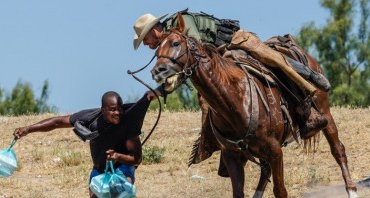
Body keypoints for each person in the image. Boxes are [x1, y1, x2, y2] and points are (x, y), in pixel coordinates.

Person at [132, 9, 331, 140]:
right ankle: (217, 141)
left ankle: (307, 95)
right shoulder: (167, 46)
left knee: (272, 62)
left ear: (154, 30)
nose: (147, 44)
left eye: (146, 39)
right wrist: (161, 90)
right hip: (218, 60)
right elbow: (184, 69)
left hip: (234, 43)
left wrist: (163, 88)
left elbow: (196, 53)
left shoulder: (180, 23)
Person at [13, 91, 156, 198]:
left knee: (124, 189)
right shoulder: (90, 118)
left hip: (122, 164)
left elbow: (136, 159)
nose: (118, 113)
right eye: (113, 109)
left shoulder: (128, 123)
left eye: (120, 109)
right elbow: (58, 122)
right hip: (100, 168)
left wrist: (117, 156)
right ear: (103, 109)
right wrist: (28, 129)